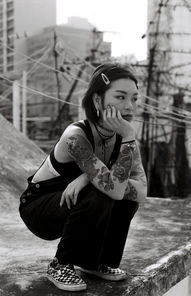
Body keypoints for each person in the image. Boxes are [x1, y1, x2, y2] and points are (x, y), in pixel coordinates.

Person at [19, 62, 147, 292]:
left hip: (76, 203)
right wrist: (100, 179)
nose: (129, 106)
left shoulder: (123, 140)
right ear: (98, 101)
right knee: (103, 191)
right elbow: (116, 189)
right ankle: (60, 265)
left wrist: (88, 177)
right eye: (120, 97)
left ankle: (95, 263)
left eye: (134, 98)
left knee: (119, 196)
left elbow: (141, 191)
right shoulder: (76, 135)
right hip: (39, 208)